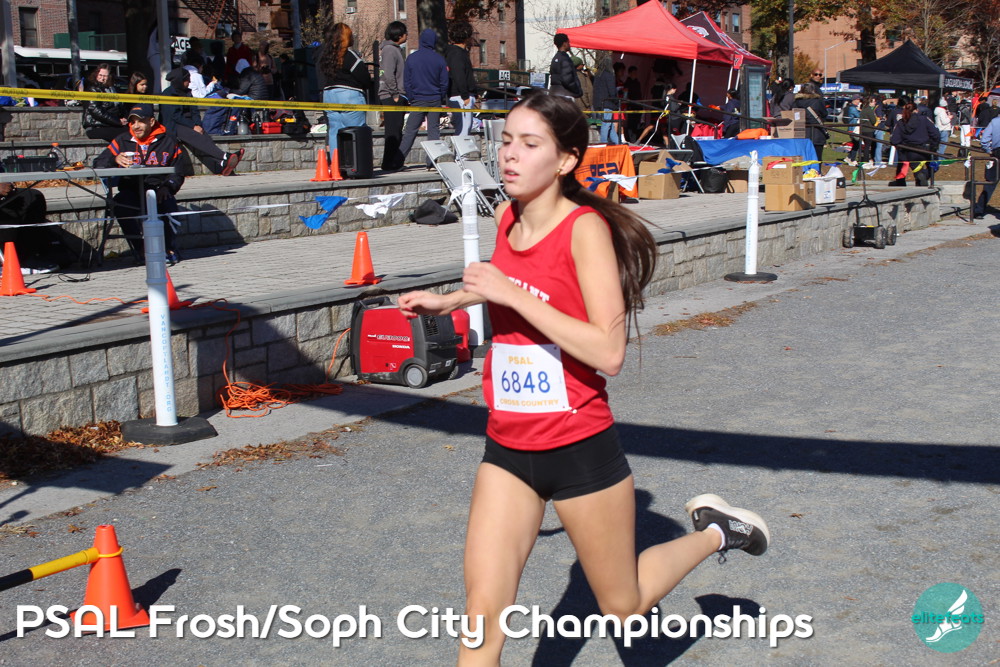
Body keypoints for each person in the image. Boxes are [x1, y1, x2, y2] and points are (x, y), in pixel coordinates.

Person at [397, 90, 771, 664]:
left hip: (578, 448)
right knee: (481, 622)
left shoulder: (585, 230)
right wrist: (450, 301)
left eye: (530, 144)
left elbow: (608, 351)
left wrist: (507, 292)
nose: (510, 155)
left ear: (567, 159)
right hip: (507, 447)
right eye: (506, 141)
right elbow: (516, 279)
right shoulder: (507, 216)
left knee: (624, 606)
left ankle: (719, 532)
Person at [93, 103, 185, 264]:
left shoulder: (168, 140)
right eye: (132, 122)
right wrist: (114, 159)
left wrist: (168, 186)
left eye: (140, 121)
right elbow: (98, 163)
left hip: (157, 189)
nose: (136, 126)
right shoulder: (122, 140)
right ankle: (141, 249)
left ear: (151, 121)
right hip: (131, 189)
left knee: (167, 204)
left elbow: (179, 170)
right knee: (120, 205)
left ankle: (168, 248)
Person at [160, 67, 242, 176]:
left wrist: (198, 124)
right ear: (180, 81)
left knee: (204, 137)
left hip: (189, 123)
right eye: (187, 80)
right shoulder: (168, 94)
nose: (189, 83)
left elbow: (194, 111)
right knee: (194, 135)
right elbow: (175, 116)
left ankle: (221, 166)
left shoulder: (188, 93)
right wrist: (193, 126)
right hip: (174, 125)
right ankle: (225, 156)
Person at [319, 22, 371, 178]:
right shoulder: (349, 55)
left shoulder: (326, 56)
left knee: (334, 132)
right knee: (356, 132)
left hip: (329, 95)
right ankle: (356, 167)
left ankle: (336, 168)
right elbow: (364, 77)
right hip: (350, 95)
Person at [397, 28, 449, 169]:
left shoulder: (412, 58)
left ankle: (398, 161)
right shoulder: (439, 59)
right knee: (433, 131)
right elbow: (444, 82)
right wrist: (440, 96)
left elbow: (407, 81)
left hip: (418, 100)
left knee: (410, 131)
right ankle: (431, 162)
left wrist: (411, 97)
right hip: (435, 99)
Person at [378, 21, 408, 172]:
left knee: (397, 130)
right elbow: (388, 74)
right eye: (405, 33)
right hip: (391, 96)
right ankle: (389, 163)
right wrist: (395, 94)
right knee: (393, 131)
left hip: (396, 94)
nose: (407, 35)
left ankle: (393, 162)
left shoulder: (394, 50)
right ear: (399, 35)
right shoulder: (390, 50)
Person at [889, 102, 938, 187]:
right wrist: (934, 146)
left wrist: (903, 145)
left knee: (917, 169)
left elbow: (894, 139)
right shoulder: (924, 119)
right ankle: (924, 175)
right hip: (926, 149)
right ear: (916, 110)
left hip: (910, 151)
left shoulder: (901, 122)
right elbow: (935, 134)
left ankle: (921, 176)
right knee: (934, 165)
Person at [444, 21, 477, 138]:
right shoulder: (457, 54)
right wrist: (465, 96)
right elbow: (459, 75)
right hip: (461, 97)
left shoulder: (456, 52)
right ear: (466, 36)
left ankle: (460, 150)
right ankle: (460, 151)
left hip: (461, 96)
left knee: (465, 128)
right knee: (463, 129)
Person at [81, 63, 126, 141]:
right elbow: (96, 111)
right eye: (100, 75)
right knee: (125, 135)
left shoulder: (113, 89)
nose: (102, 78)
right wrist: (117, 121)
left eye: (105, 76)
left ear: (110, 77)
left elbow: (120, 108)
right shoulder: (92, 89)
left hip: (112, 125)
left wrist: (124, 118)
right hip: (96, 126)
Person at [973, 111, 1000, 217]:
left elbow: (984, 139)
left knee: (990, 183)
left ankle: (979, 210)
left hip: (997, 153)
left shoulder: (995, 122)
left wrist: (988, 150)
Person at [794, 82, 828, 161]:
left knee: (803, 158)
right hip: (817, 131)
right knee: (817, 157)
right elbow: (824, 114)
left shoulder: (797, 102)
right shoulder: (817, 101)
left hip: (801, 132)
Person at [592, 56, 618, 144]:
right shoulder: (609, 75)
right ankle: (603, 143)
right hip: (607, 103)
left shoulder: (598, 75)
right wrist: (616, 101)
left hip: (598, 104)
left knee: (610, 126)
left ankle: (617, 142)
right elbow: (612, 91)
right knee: (606, 124)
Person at [547, 33, 582, 101]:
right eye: (568, 42)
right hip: (564, 95)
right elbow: (567, 78)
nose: (569, 44)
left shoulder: (555, 58)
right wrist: (577, 90)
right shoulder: (565, 59)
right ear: (564, 43)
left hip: (553, 93)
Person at [623, 65, 643, 142]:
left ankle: (634, 139)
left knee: (636, 123)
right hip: (631, 105)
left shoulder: (637, 82)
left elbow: (639, 94)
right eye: (634, 72)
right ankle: (630, 139)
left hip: (638, 105)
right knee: (630, 123)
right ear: (630, 73)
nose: (635, 74)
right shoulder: (627, 83)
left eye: (636, 73)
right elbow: (625, 95)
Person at [845, 96, 863, 164]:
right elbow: (859, 115)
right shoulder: (852, 108)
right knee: (856, 143)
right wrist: (861, 111)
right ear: (854, 100)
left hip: (855, 128)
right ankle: (852, 159)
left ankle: (849, 157)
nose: (859, 101)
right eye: (858, 100)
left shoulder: (855, 108)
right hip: (853, 128)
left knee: (856, 144)